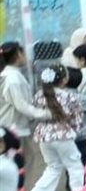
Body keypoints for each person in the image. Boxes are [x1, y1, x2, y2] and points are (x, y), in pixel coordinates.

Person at [26, 64, 85, 191]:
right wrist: (74, 131)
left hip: (43, 136)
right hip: (63, 135)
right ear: (64, 80)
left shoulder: (39, 95)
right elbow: (77, 120)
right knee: (75, 166)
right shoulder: (70, 97)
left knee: (53, 166)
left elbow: (34, 113)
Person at [0, 43, 49, 176]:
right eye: (23, 53)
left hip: (14, 128)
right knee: (20, 165)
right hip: (14, 130)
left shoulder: (11, 76)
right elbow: (22, 106)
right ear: (18, 54)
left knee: (25, 162)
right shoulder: (13, 78)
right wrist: (46, 114)